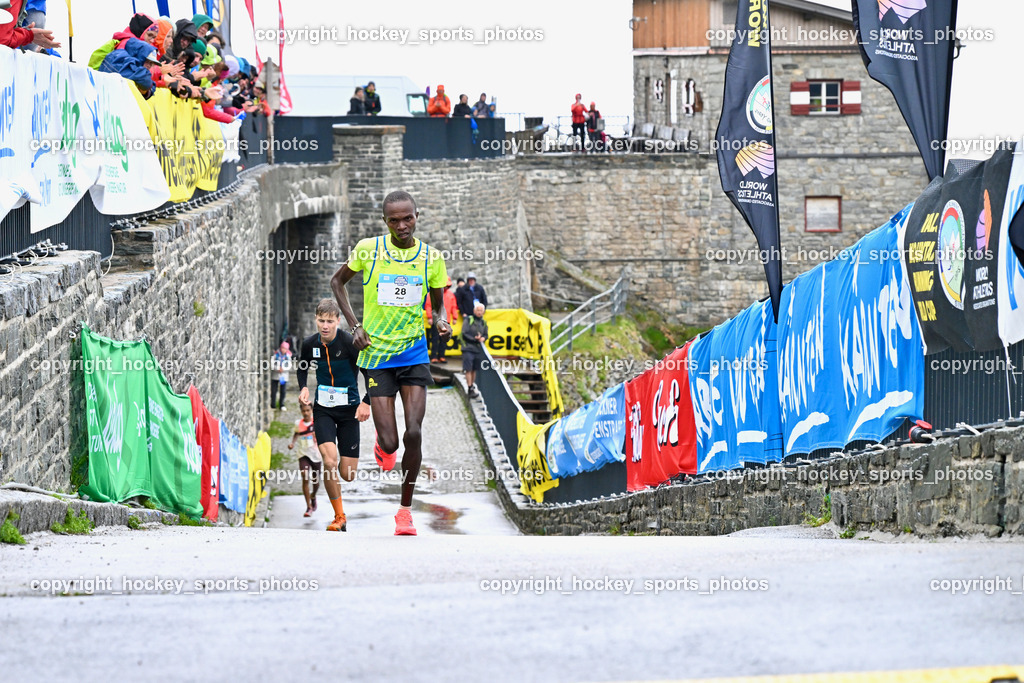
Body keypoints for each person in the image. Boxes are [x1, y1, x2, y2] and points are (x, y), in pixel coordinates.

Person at [330, 190, 451, 536]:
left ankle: (405, 512)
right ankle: (383, 448)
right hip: (377, 357)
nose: (402, 225)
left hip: (413, 354)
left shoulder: (431, 258)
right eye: (394, 220)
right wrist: (354, 326)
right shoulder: (369, 249)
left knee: (414, 432)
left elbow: (438, 303)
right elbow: (337, 281)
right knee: (392, 442)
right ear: (385, 221)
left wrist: (440, 320)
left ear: (417, 215)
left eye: (408, 218)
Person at [296, 299, 372, 532]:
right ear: (316, 320)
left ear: (338, 321)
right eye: (321, 321)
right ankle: (339, 517)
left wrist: (366, 402)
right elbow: (302, 366)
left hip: (349, 411)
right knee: (329, 462)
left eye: (330, 321)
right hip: (324, 410)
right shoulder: (309, 343)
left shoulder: (350, 343)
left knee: (347, 474)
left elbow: (371, 372)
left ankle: (340, 481)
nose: (325, 326)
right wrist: (304, 387)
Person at [288, 402, 322, 517]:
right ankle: (308, 507)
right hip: (303, 454)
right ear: (301, 411)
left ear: (311, 411)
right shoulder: (298, 423)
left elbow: (323, 436)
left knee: (316, 481)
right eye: (303, 411)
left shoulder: (316, 422)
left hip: (316, 455)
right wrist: (292, 443)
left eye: (308, 410)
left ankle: (313, 495)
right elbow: (296, 434)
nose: (306, 413)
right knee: (305, 477)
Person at [426, 276, 458, 363]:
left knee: (444, 339)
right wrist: (429, 317)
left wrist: (455, 317)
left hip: (446, 321)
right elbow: (428, 306)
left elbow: (454, 307)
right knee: (435, 339)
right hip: (436, 320)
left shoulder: (451, 294)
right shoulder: (432, 294)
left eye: (447, 286)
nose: (446, 287)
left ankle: (441, 356)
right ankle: (434, 356)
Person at [462, 302, 488, 398]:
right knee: (468, 368)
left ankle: (472, 386)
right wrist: (474, 339)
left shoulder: (483, 323)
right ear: (474, 311)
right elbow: (464, 333)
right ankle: (469, 387)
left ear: (483, 312)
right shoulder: (468, 320)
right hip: (468, 347)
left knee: (474, 369)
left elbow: (486, 335)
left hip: (477, 349)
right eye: (478, 310)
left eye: (481, 310)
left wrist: (483, 338)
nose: (479, 312)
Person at [270, 341, 291, 410]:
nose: (283, 350)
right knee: (274, 390)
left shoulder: (287, 356)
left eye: (285, 348)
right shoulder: (275, 355)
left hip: (283, 376)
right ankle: (273, 404)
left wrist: (283, 369)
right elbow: (272, 364)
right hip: (276, 375)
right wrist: (277, 369)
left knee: (283, 390)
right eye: (282, 348)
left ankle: (281, 404)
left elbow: (289, 365)